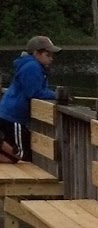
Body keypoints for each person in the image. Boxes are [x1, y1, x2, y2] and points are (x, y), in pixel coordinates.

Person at [0, 35, 69, 163]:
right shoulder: (32, 67)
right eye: (48, 55)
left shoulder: (30, 65)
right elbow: (34, 92)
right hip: (14, 116)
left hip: (8, 114)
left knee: (14, 157)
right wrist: (56, 95)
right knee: (22, 154)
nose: (51, 59)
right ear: (37, 54)